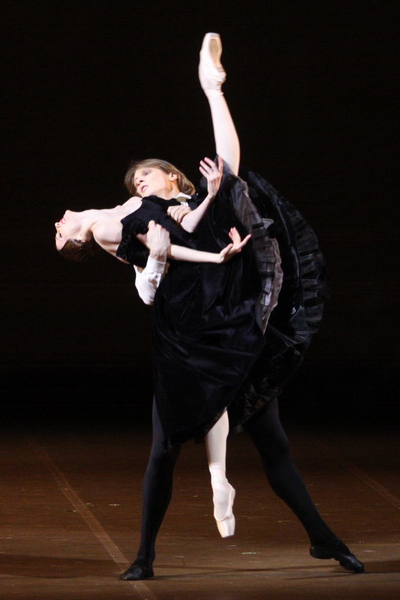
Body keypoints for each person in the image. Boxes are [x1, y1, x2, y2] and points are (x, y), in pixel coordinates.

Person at [118, 33, 364, 579]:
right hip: (182, 342)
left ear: (172, 177)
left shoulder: (205, 200)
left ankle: (323, 539)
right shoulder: (141, 218)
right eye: (135, 180)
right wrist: (145, 258)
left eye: (148, 173)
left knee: (272, 442)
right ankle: (144, 556)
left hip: (231, 335)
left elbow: (225, 170)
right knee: (164, 450)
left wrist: (208, 200)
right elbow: (139, 274)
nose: (140, 180)